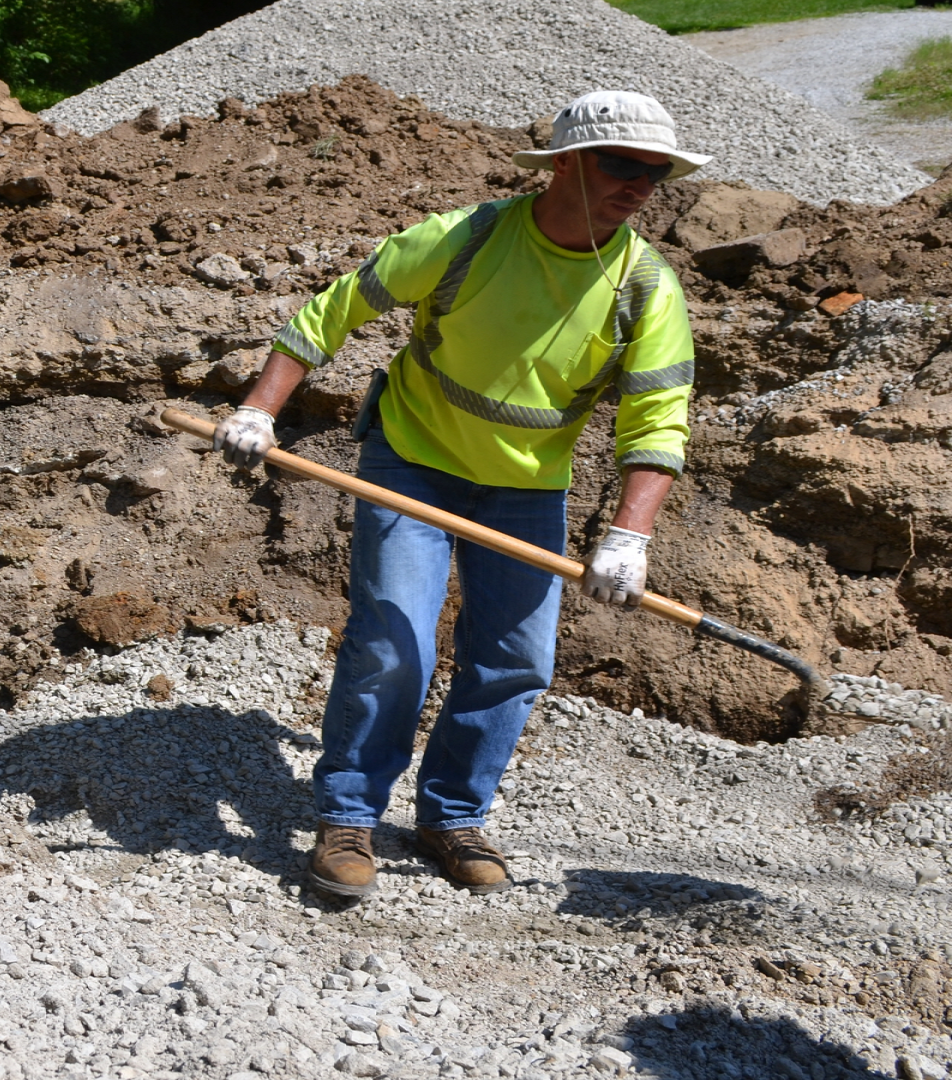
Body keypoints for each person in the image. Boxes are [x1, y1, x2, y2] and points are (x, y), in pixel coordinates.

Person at [212, 91, 704, 898]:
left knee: (516, 660)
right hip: (413, 458)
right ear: (564, 166)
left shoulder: (645, 289)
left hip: (527, 487)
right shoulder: (468, 239)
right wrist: (260, 409)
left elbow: (657, 420)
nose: (641, 185)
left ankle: (451, 817)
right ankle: (347, 817)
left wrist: (629, 537)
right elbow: (334, 310)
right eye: (622, 165)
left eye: (657, 172)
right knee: (394, 641)